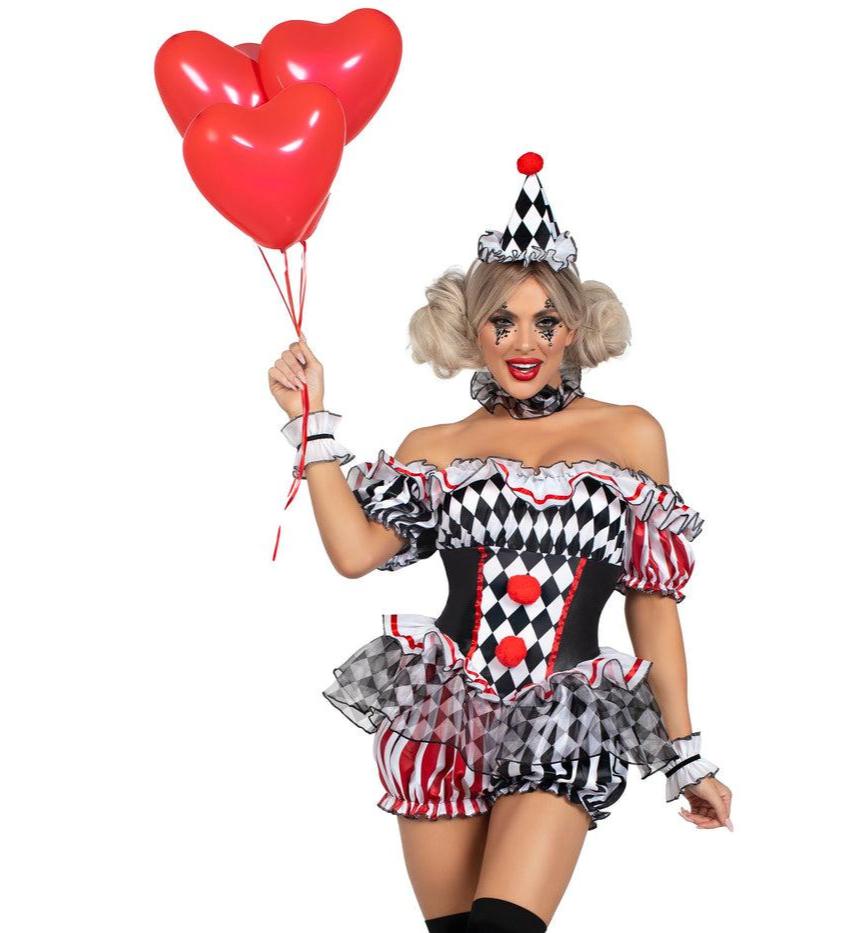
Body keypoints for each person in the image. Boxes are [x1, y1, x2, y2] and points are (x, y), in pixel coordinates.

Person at [268, 152, 733, 932]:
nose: (525, 341)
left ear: (573, 329)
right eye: (503, 320)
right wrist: (310, 421)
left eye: (546, 321)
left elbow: (652, 606)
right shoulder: (437, 444)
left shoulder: (628, 434)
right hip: (445, 714)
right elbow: (353, 553)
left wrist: (683, 753)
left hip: (562, 715)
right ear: (472, 328)